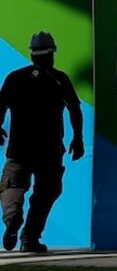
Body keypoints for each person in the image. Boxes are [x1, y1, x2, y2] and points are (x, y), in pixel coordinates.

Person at [0, 32, 84, 253]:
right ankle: (29, 238)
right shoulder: (59, 79)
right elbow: (75, 109)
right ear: (52, 53)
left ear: (32, 53)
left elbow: (0, 106)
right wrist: (78, 138)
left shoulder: (14, 78)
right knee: (47, 192)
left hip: (19, 149)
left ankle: (12, 218)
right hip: (49, 150)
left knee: (13, 186)